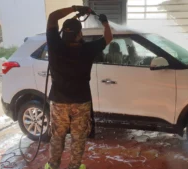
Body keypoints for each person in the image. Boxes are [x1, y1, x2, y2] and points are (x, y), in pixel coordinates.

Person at [44, 5, 113, 169]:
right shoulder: (88, 49)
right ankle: (74, 166)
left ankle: (53, 165)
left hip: (59, 102)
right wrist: (104, 22)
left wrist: (74, 8)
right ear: (79, 34)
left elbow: (53, 17)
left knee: (57, 136)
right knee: (78, 137)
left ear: (63, 33)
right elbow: (108, 37)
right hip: (81, 103)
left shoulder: (55, 46)